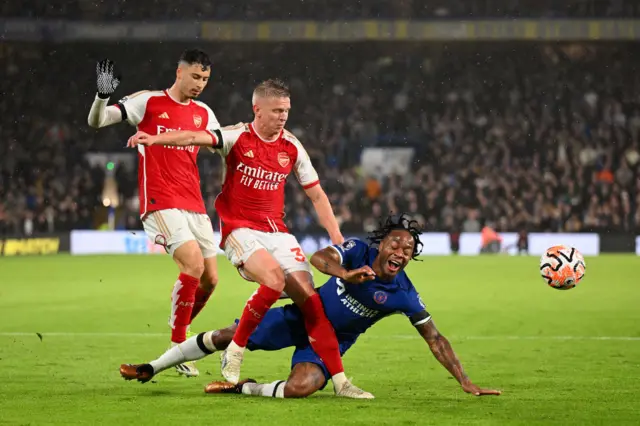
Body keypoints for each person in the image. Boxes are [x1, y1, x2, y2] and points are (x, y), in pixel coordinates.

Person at [126, 79, 371, 399]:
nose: (283, 116)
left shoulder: (292, 146)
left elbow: (318, 196)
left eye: (287, 110)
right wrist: (156, 138)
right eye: (277, 111)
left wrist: (337, 238)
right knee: (271, 280)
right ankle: (236, 350)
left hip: (277, 233)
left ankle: (341, 383)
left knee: (311, 302)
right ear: (258, 109)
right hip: (240, 229)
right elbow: (193, 136)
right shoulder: (236, 136)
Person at [119, 214, 501, 399]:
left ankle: (243, 390)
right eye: (395, 244)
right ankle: (153, 366)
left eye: (408, 250)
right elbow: (318, 258)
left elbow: (434, 338)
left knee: (301, 389)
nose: (400, 252)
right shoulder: (356, 250)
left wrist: (465, 380)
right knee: (226, 336)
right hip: (301, 316)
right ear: (382, 243)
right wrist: (345, 274)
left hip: (329, 344)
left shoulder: (404, 294)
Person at [87, 49, 221, 377]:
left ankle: (181, 336)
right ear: (179, 72)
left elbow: (223, 147)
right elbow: (98, 121)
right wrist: (102, 97)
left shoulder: (204, 112)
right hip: (160, 200)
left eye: (205, 78)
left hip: (194, 203)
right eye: (195, 76)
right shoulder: (148, 101)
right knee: (192, 263)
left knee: (211, 279)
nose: (200, 84)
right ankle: (178, 346)